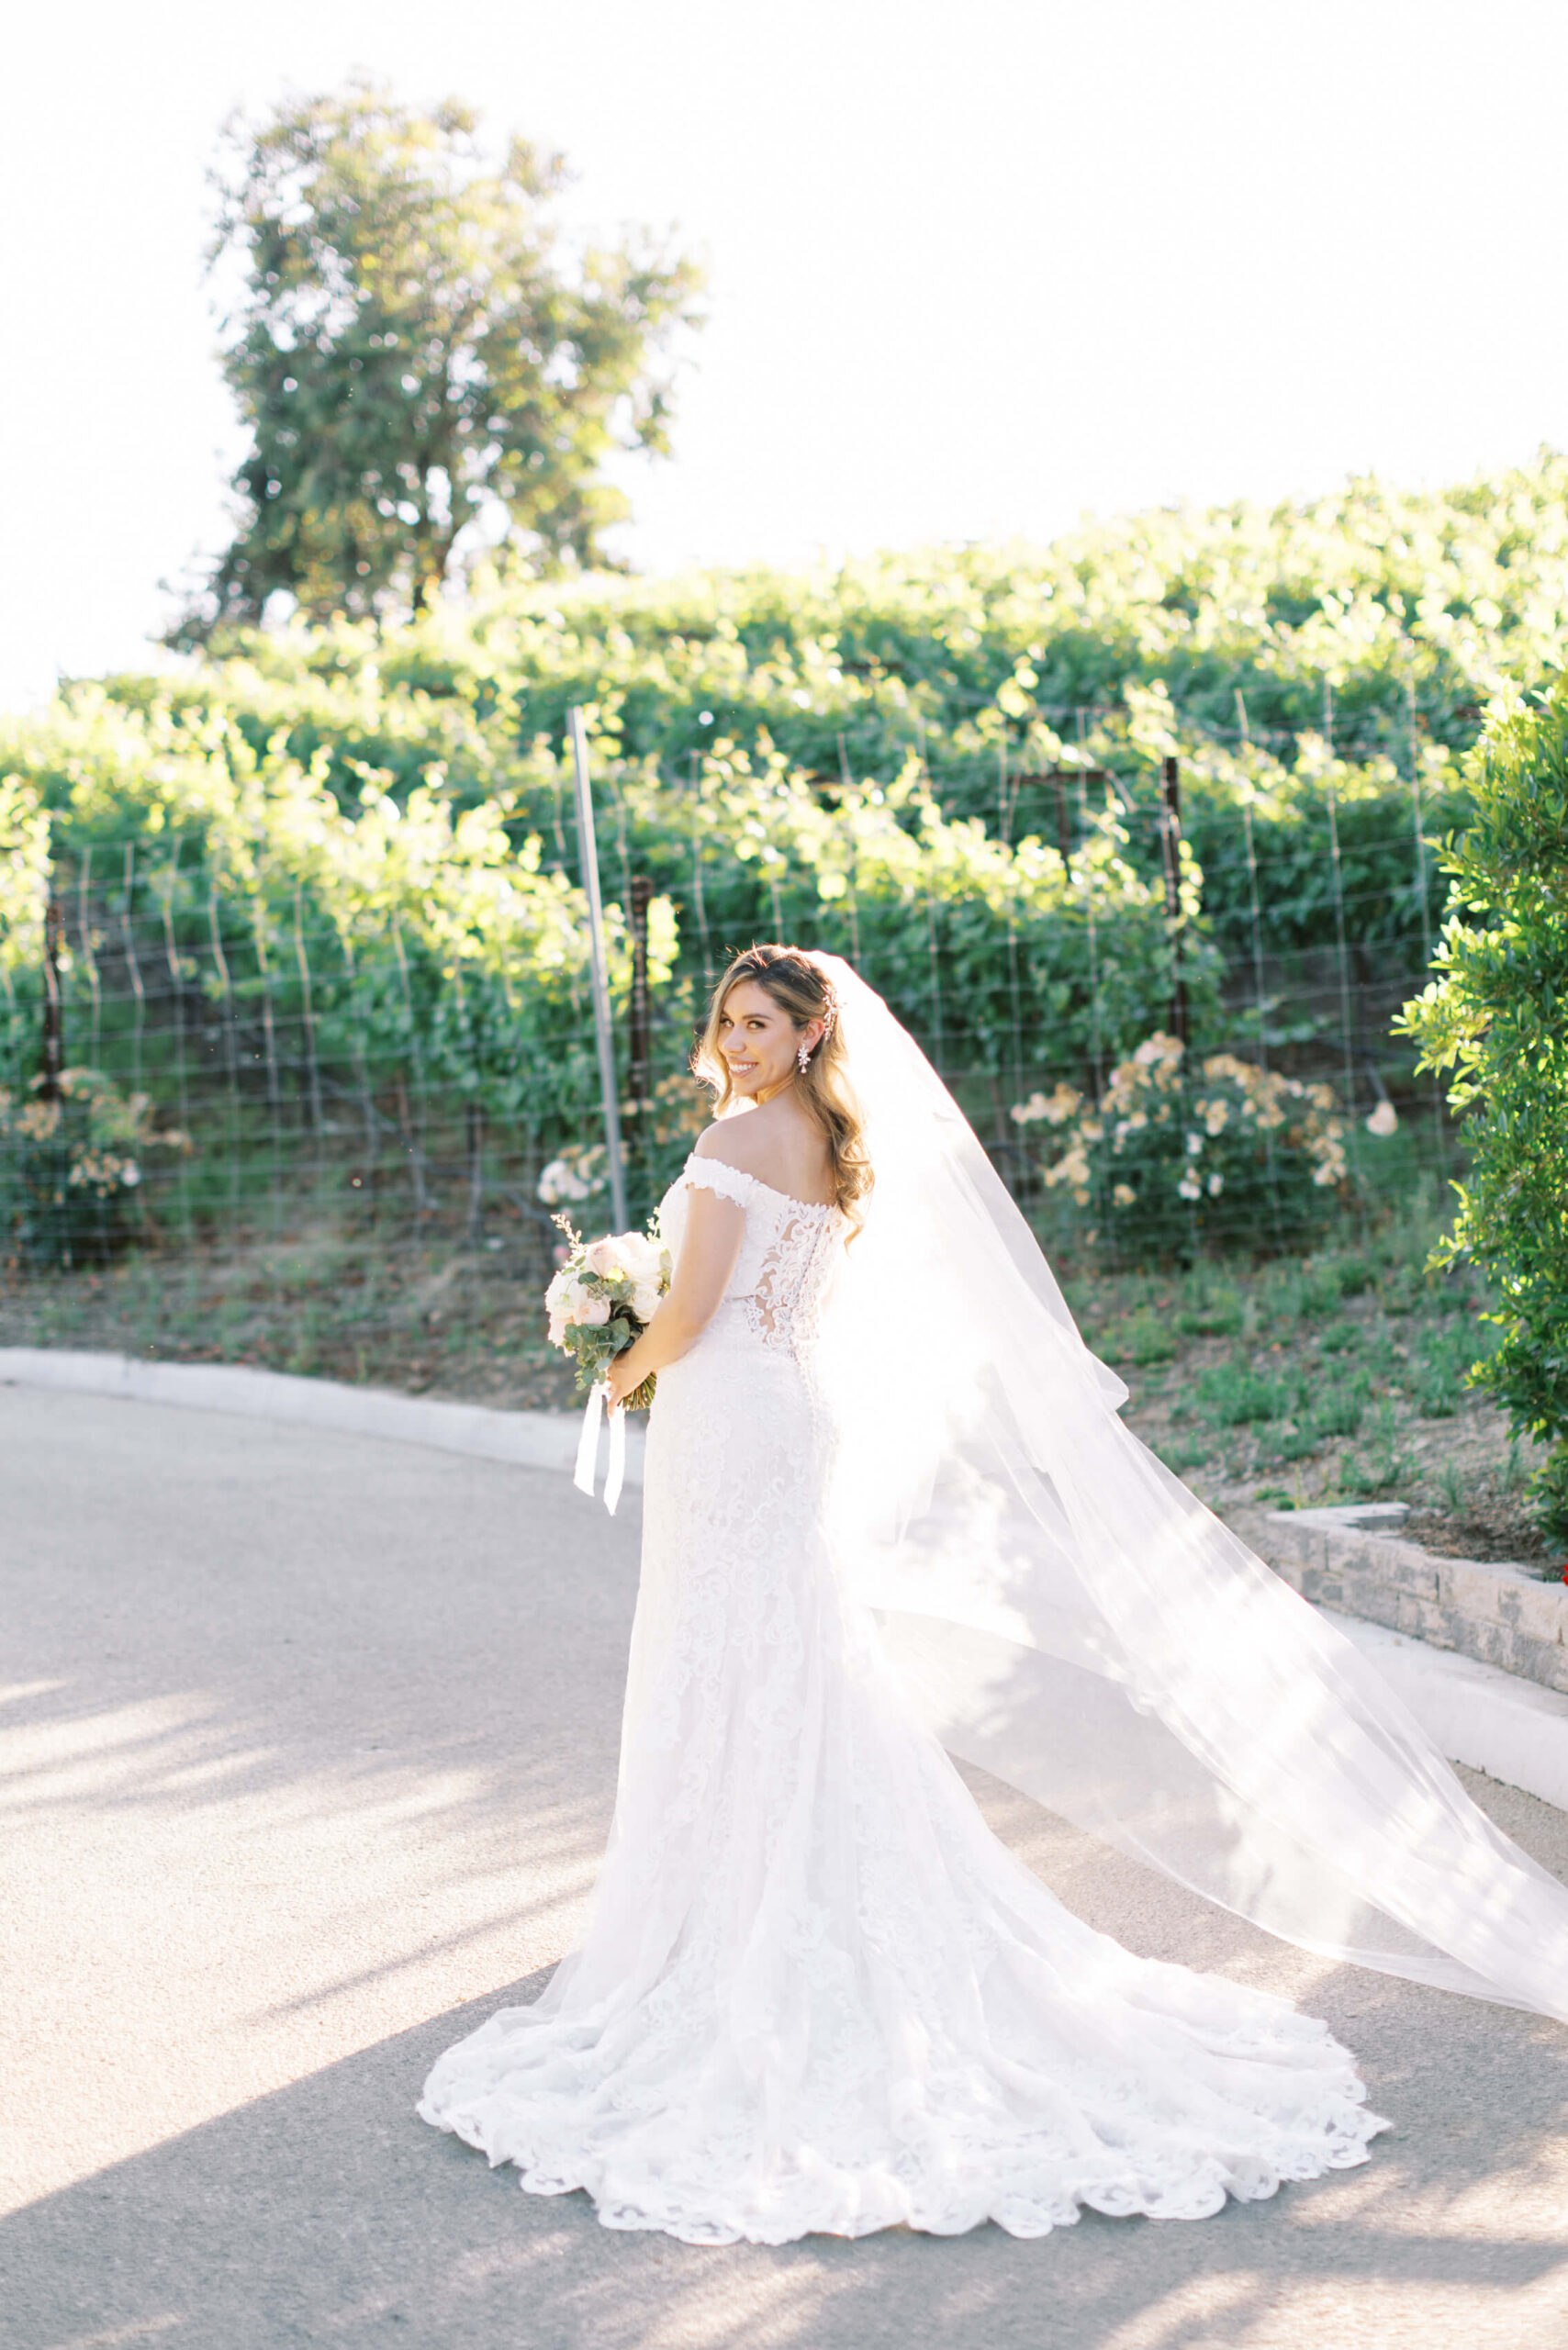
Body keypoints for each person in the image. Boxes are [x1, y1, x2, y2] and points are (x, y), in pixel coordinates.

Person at [419, 946, 1568, 2246]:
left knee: (729, 1649)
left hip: (732, 1422)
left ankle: (731, 1913)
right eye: (727, 1021)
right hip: (786, 1416)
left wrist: (617, 1366)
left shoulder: (738, 1142)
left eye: (760, 1024)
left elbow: (687, 1315)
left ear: (807, 1035)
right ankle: (754, 1885)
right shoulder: (822, 1143)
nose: (736, 1043)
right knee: (783, 1651)